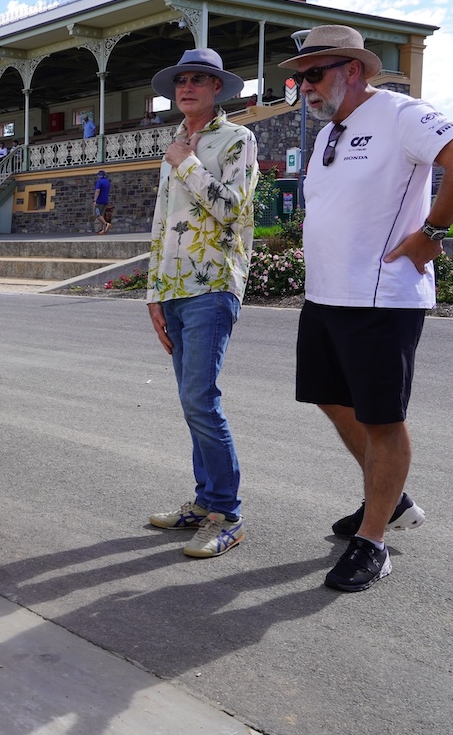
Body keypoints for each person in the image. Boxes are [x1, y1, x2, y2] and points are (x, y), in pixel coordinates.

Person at [280, 25, 453, 591]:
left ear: (353, 69)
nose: (305, 88)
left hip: (380, 297)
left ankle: (373, 541)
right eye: (300, 78)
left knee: (381, 417)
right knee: (329, 397)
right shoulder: (327, 136)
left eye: (314, 74)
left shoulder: (401, 113)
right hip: (325, 294)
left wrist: (433, 232)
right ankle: (389, 501)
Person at [144, 47, 258, 559]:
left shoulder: (237, 139)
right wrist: (152, 293)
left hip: (212, 285)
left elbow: (231, 209)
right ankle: (204, 501)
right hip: (174, 290)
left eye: (199, 80)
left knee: (200, 399)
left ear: (217, 89)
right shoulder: (175, 144)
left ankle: (227, 515)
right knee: (192, 404)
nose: (186, 87)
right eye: (181, 79)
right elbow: (161, 225)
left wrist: (185, 162)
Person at [93, 170, 112, 234]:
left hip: (99, 200)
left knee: (97, 214)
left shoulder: (99, 182)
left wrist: (95, 200)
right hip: (105, 200)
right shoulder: (107, 182)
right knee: (102, 214)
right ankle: (101, 229)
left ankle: (106, 224)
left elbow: (97, 191)